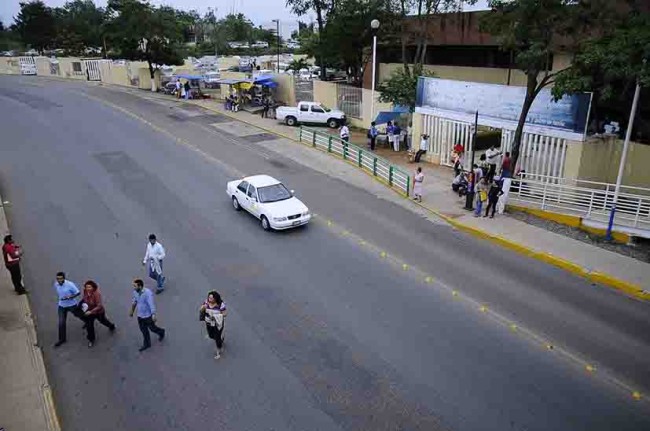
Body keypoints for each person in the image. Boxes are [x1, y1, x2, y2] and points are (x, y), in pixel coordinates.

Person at [130, 279, 165, 352]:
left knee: (152, 328)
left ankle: (161, 332)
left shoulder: (147, 293)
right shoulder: (135, 292)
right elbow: (134, 301)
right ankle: (147, 343)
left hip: (148, 316)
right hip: (140, 315)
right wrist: (132, 311)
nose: (133, 287)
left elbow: (151, 304)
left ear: (140, 286)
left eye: (135, 286)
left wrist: (153, 314)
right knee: (143, 330)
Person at [53, 272, 85, 347]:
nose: (59, 280)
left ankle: (87, 321)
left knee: (78, 315)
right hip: (61, 306)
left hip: (71, 305)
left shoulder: (70, 284)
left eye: (61, 278)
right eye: (58, 279)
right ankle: (62, 339)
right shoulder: (56, 284)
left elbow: (78, 292)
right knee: (61, 322)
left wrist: (70, 297)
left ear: (64, 278)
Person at [81, 280, 115, 348]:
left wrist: (91, 311)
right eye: (87, 287)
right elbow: (84, 298)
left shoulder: (97, 294)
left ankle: (111, 326)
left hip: (98, 312)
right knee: (89, 326)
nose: (88, 289)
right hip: (89, 311)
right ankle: (91, 339)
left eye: (89, 287)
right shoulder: (85, 291)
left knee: (103, 321)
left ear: (93, 287)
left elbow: (99, 306)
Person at [199, 291, 227, 359]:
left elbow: (225, 313)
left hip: (218, 323)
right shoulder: (206, 302)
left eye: (211, 298)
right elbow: (201, 310)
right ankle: (220, 340)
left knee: (217, 338)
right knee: (211, 335)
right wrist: (203, 307)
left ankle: (218, 350)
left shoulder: (220, 304)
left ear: (215, 298)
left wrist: (215, 316)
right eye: (209, 298)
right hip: (208, 323)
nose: (210, 299)